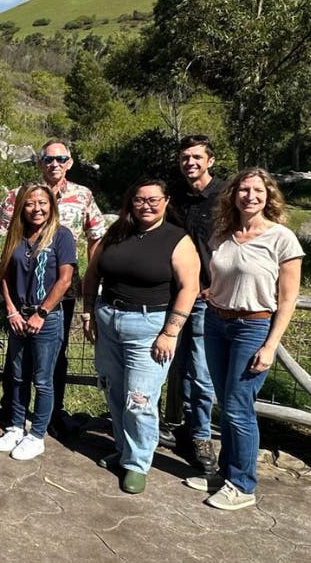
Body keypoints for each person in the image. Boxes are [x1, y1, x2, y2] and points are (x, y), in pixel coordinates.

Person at [184, 168, 303, 511]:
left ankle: (243, 485)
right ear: (233, 195)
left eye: (258, 191)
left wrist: (270, 345)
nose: (250, 196)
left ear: (269, 197)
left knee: (238, 408)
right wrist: (211, 292)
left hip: (253, 327)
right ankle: (224, 473)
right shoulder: (222, 235)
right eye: (243, 190)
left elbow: (287, 298)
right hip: (216, 321)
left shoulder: (282, 238)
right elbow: (221, 274)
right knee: (225, 401)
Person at [83, 178, 199, 494]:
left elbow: (190, 288)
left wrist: (170, 332)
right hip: (108, 320)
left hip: (150, 326)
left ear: (166, 201)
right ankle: (123, 450)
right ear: (130, 202)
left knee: (140, 399)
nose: (145, 205)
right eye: (138, 199)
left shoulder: (177, 239)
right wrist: (88, 311)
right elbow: (93, 273)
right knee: (114, 390)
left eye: (152, 199)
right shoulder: (116, 232)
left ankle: (137, 463)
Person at [0, 139, 106, 435]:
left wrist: (91, 284)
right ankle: (13, 414)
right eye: (48, 159)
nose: (54, 164)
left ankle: (51, 416)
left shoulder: (82, 195)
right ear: (40, 163)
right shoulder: (17, 196)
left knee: (54, 355)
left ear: (70, 162)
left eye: (61, 158)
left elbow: (96, 236)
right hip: (20, 289)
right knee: (16, 357)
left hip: (61, 292)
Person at [0, 182, 76, 460]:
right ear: (21, 207)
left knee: (42, 379)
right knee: (16, 376)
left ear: (51, 206)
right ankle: (15, 425)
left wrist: (41, 313)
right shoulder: (15, 236)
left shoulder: (61, 236)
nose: (36, 209)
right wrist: (12, 310)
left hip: (47, 319)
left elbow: (65, 279)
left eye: (42, 203)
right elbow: (4, 274)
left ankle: (37, 433)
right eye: (30, 203)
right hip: (18, 316)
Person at [166, 134, 225, 473]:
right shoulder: (173, 197)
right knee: (167, 362)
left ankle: (200, 436)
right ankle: (177, 428)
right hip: (170, 294)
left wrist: (216, 283)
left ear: (210, 160)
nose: (190, 162)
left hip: (204, 297)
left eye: (197, 157)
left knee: (199, 370)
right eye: (185, 157)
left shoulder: (223, 198)